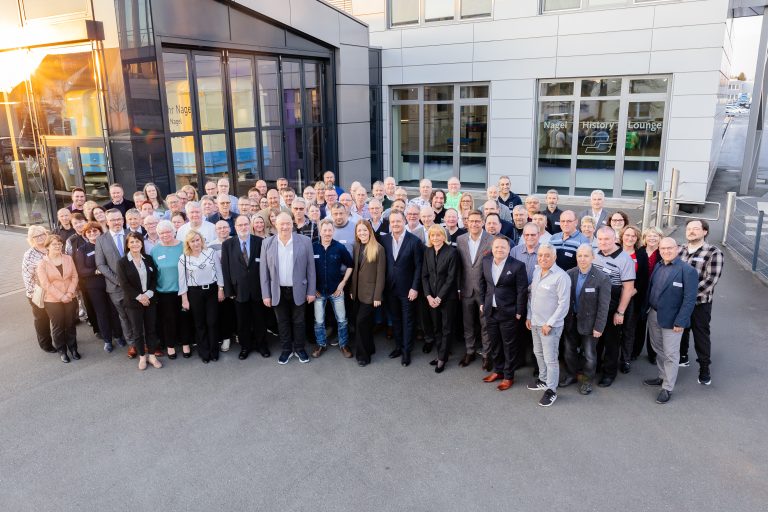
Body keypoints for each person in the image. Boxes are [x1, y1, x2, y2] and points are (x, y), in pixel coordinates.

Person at [643, 237, 698, 404]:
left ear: (677, 249)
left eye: (669, 248)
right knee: (658, 348)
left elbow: (689, 299)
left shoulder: (687, 271)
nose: (666, 251)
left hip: (673, 320)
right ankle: (662, 376)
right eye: (663, 248)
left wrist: (681, 322)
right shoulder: (659, 266)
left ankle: (667, 387)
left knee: (671, 354)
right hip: (654, 314)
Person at [260, 212, 316, 364]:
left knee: (299, 321)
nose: (285, 227)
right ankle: (286, 350)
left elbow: (311, 268)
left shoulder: (304, 241)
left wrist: (311, 291)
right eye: (281, 224)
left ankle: (299, 348)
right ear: (275, 225)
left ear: (292, 225)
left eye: (287, 224)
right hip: (277, 291)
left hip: (299, 290)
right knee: (282, 322)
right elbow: (263, 271)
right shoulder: (267, 243)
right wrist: (266, 294)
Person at [561, 244, 611, 395]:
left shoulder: (602, 278)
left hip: (590, 324)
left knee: (589, 354)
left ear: (593, 257)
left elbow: (604, 306)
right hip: (571, 321)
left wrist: (599, 327)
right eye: (579, 256)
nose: (582, 259)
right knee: (569, 351)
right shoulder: (569, 274)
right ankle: (571, 375)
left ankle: (587, 381)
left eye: (586, 256)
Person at [678, 219, 724, 385]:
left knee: (701, 334)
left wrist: (687, 297)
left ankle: (704, 369)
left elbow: (710, 281)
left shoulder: (713, 252)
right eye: (689, 228)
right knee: (681, 330)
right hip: (680, 301)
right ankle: (683, 357)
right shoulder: (679, 249)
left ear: (705, 232)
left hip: (700, 303)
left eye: (696, 229)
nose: (691, 231)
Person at [479, 236, 528, 391]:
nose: (499, 250)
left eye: (503, 247)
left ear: (509, 249)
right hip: (490, 310)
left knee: (509, 345)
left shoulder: (517, 266)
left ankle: (508, 376)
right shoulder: (486, 261)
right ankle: (498, 371)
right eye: (497, 247)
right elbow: (482, 284)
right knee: (495, 343)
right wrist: (482, 302)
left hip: (509, 312)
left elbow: (522, 290)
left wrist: (519, 311)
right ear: (492, 248)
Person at [526, 243, 570, 406]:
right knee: (538, 353)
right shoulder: (537, 272)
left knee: (551, 358)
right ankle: (543, 380)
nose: (543, 258)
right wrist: (529, 316)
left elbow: (564, 304)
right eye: (540, 255)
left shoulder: (561, 277)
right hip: (535, 322)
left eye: (547, 255)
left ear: (554, 257)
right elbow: (532, 297)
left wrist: (550, 324)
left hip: (549, 326)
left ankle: (551, 390)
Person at [221, 215, 270, 360]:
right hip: (238, 290)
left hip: (258, 289)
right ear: (235, 227)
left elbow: (266, 266)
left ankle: (262, 345)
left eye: (246, 224)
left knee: (259, 319)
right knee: (242, 322)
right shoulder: (228, 245)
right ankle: (245, 347)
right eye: (240, 225)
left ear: (250, 225)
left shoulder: (261, 242)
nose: (243, 227)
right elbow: (225, 268)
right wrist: (229, 290)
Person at [592, 226, 636, 387]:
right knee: (595, 338)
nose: (603, 242)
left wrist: (620, 312)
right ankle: (594, 367)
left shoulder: (625, 259)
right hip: (595, 301)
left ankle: (609, 373)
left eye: (607, 239)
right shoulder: (595, 252)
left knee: (611, 341)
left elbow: (628, 288)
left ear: (615, 239)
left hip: (613, 301)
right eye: (600, 239)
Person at [380, 211, 423, 367]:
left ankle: (406, 351)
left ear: (404, 221)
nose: (395, 224)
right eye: (393, 222)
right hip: (390, 288)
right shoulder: (383, 240)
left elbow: (419, 267)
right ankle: (398, 347)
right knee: (395, 319)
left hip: (407, 289)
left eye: (398, 221)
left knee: (408, 320)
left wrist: (414, 287)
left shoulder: (414, 241)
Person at [96, 209, 137, 358]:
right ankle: (132, 343)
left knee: (139, 314)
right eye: (113, 220)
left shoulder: (131, 235)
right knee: (124, 316)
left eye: (119, 219)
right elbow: (100, 265)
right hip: (116, 287)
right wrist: (118, 280)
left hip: (135, 285)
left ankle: (143, 342)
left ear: (123, 219)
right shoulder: (101, 240)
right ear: (107, 222)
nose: (116, 222)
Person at [178, 230, 224, 363]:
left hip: (211, 291)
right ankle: (204, 352)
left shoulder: (211, 253)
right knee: (199, 324)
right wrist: (184, 299)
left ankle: (214, 351)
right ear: (188, 243)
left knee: (212, 321)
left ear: (201, 240)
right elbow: (182, 280)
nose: (196, 243)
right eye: (192, 241)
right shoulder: (184, 258)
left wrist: (221, 289)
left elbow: (219, 271)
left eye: (198, 240)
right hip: (194, 293)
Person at [117, 232, 162, 370]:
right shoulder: (122, 262)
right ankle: (142, 357)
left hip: (149, 300)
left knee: (151, 329)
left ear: (141, 243)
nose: (135, 244)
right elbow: (124, 284)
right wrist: (140, 297)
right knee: (137, 331)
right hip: (133, 302)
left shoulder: (148, 259)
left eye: (137, 241)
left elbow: (154, 279)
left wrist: (148, 295)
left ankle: (152, 356)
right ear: (127, 245)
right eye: (132, 242)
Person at [74, 222, 120, 352]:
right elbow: (81, 270)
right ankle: (107, 340)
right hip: (94, 286)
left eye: (95, 231)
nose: (92, 234)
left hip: (111, 282)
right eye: (89, 232)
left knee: (114, 310)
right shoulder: (82, 249)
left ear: (100, 232)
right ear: (85, 235)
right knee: (102, 312)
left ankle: (118, 335)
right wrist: (97, 270)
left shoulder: (108, 245)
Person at [456, 210, 494, 369]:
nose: (474, 224)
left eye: (477, 221)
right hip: (465, 289)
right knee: (468, 323)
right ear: (467, 222)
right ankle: (470, 351)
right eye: (471, 221)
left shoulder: (491, 240)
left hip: (484, 289)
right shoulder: (460, 239)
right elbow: (458, 265)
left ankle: (487, 354)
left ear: (483, 222)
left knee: (485, 324)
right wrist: (458, 288)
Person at [312, 219, 354, 358]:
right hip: (318, 291)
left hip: (336, 291)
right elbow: (307, 269)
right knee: (319, 321)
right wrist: (312, 287)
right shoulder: (313, 247)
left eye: (330, 230)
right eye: (325, 230)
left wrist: (343, 283)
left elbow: (350, 265)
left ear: (333, 231)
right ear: (320, 231)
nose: (327, 233)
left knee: (342, 320)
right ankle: (320, 345)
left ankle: (344, 345)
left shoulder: (339, 247)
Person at [150, 220, 191, 359]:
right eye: (161, 233)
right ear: (158, 234)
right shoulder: (155, 250)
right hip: (164, 292)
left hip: (183, 290)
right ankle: (170, 346)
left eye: (168, 231)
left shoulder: (183, 246)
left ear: (174, 231)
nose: (165, 235)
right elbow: (154, 272)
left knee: (184, 318)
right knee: (168, 320)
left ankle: (186, 344)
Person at [421, 224, 459, 374]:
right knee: (436, 327)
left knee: (446, 328)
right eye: (432, 235)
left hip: (447, 297)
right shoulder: (428, 251)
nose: (435, 238)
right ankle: (440, 353)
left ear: (444, 236)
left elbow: (451, 278)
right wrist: (429, 296)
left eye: (438, 235)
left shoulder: (452, 253)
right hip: (431, 297)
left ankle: (442, 358)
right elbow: (424, 275)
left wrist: (439, 297)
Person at [37, 235, 80, 363]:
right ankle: (62, 350)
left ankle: (73, 348)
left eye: (60, 244)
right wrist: (61, 296)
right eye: (54, 244)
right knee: (58, 326)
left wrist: (69, 293)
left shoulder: (67, 258)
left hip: (70, 296)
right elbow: (45, 284)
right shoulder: (42, 263)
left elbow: (74, 276)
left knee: (70, 324)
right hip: (52, 300)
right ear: (47, 247)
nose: (58, 246)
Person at [350, 220, 385, 366]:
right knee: (365, 323)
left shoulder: (378, 248)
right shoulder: (356, 246)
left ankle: (363, 356)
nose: (362, 233)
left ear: (369, 231)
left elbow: (381, 274)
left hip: (371, 294)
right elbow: (355, 271)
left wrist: (378, 295)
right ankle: (369, 348)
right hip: (357, 292)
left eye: (364, 230)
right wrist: (352, 290)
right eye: (359, 231)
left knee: (361, 323)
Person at [22, 226, 55, 354]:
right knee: (42, 319)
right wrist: (33, 295)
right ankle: (46, 344)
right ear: (31, 239)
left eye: (41, 234)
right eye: (36, 236)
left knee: (57, 317)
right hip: (39, 292)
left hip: (55, 290)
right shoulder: (29, 255)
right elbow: (27, 276)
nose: (40, 237)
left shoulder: (51, 247)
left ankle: (61, 338)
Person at [619, 225, 646, 374]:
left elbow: (643, 277)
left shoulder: (641, 255)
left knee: (629, 330)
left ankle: (625, 360)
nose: (630, 238)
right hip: (614, 296)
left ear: (637, 239)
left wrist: (630, 292)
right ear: (622, 236)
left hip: (632, 297)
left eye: (633, 236)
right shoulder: (615, 250)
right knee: (612, 330)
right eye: (627, 235)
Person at [635, 226, 663, 362]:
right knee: (639, 322)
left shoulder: (663, 253)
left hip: (657, 292)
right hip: (640, 292)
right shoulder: (639, 252)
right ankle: (635, 351)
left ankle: (653, 353)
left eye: (655, 236)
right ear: (645, 238)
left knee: (654, 325)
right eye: (649, 236)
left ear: (660, 238)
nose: (652, 238)